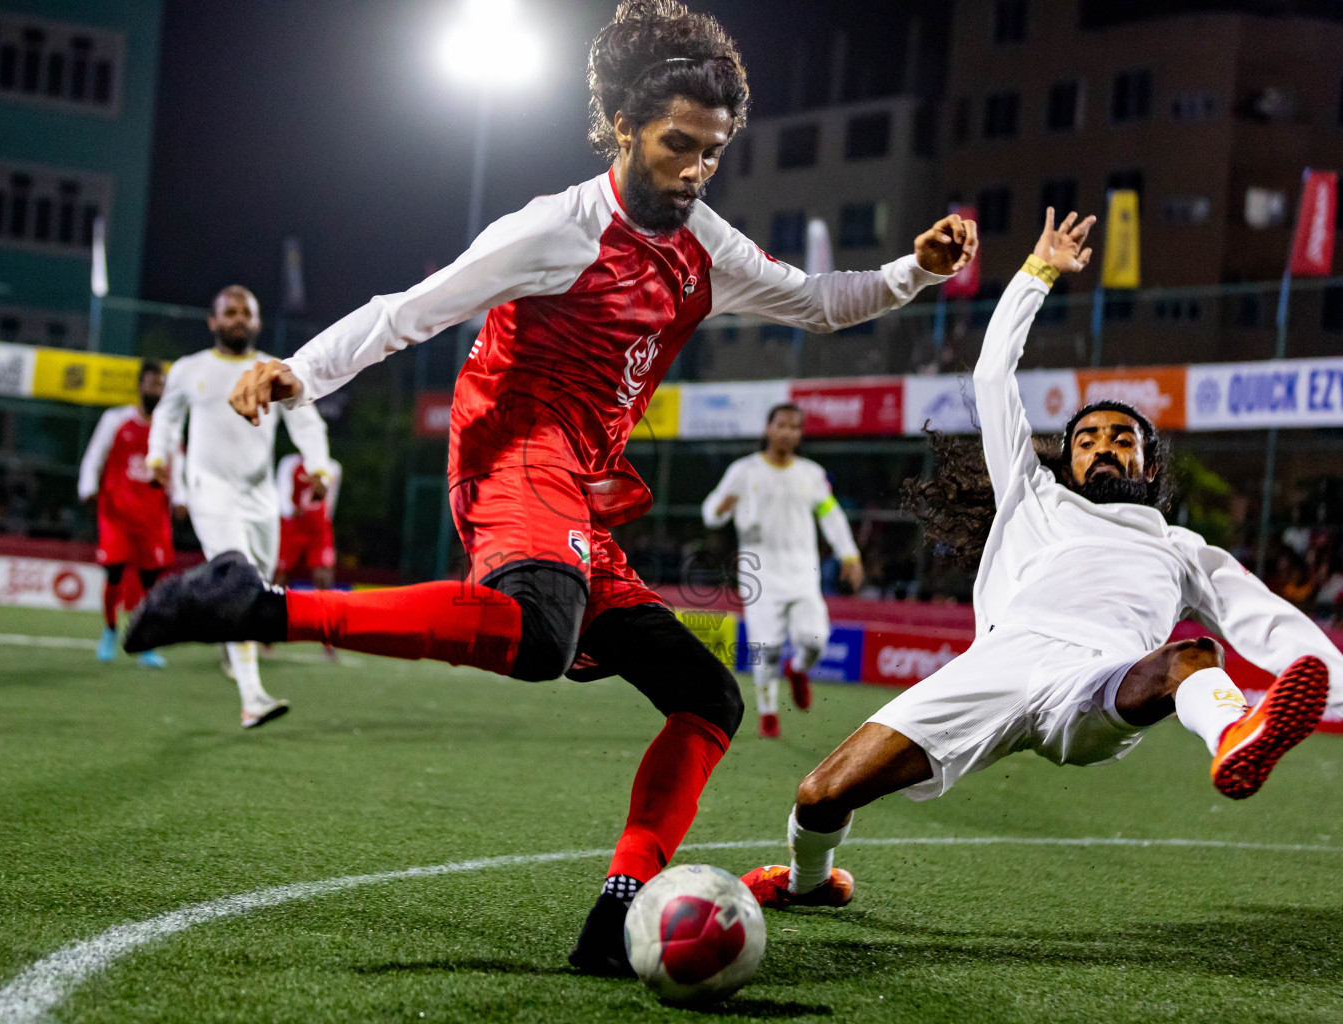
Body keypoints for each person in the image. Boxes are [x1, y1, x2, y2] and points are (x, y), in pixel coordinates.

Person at [125, 0, 973, 973]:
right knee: (536, 636)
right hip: (515, 451)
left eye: (714, 150)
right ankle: (259, 606)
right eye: (676, 145)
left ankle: (616, 914)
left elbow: (822, 303)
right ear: (620, 125)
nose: (695, 169)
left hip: (582, 492)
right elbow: (411, 309)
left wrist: (914, 268)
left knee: (706, 697)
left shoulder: (707, 242)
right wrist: (301, 372)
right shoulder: (557, 229)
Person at [740, 209, 1343, 911]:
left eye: (1121, 438)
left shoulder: (1184, 550)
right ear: (1066, 457)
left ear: (1149, 459)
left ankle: (1233, 734)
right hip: (994, 667)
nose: (1103, 446)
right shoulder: (1031, 494)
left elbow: (1285, 637)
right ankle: (810, 884)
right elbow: (991, 374)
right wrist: (1037, 273)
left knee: (1192, 659)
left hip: (1097, 681)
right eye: (1088, 438)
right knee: (821, 795)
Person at [145, 285, 333, 728]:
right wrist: (158, 458)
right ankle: (253, 697)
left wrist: (319, 468)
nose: (237, 319)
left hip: (260, 496)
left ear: (258, 322)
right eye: (229, 312)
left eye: (246, 313)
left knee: (257, 589)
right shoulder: (190, 370)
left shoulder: (271, 372)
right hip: (209, 492)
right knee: (239, 578)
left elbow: (306, 421)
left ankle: (227, 635)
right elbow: (167, 419)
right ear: (212, 321)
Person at [701, 403, 862, 738]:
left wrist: (850, 555)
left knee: (815, 640)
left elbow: (831, 516)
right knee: (767, 647)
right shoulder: (743, 471)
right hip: (760, 575)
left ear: (799, 434)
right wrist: (721, 508)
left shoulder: (812, 475)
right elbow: (710, 512)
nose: (788, 432)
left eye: (795, 427)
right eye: (782, 425)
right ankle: (769, 715)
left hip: (803, 572)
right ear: (768, 428)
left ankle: (798, 668)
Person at [77, 361, 176, 668]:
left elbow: (179, 467)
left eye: (160, 385)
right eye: (151, 384)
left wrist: (182, 497)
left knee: (150, 581)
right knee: (115, 572)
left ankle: (145, 643)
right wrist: (87, 486)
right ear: (140, 386)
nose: (156, 390)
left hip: (152, 516)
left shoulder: (168, 428)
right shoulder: (116, 419)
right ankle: (109, 631)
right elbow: (95, 453)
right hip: (116, 512)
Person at [275, 452, 343, 661]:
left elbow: (331, 500)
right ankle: (266, 634)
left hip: (318, 530)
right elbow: (281, 495)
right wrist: (289, 511)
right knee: (278, 579)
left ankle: (328, 639)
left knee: (324, 580)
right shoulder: (290, 463)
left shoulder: (332, 467)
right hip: (292, 527)